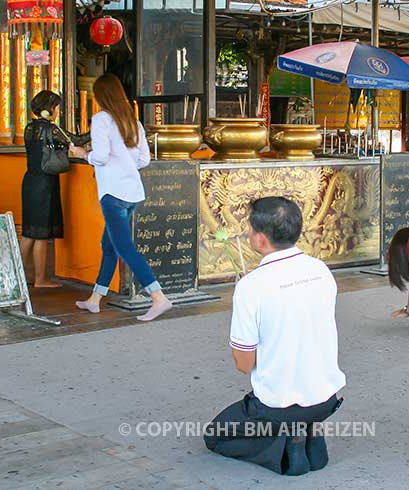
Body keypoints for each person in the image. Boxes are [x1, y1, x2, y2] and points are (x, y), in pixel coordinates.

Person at [204, 197, 345, 476]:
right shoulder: (321, 270)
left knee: (215, 436)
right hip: (327, 399)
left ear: (259, 239)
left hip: (277, 405)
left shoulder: (251, 286)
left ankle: (287, 449)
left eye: (248, 228)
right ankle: (309, 432)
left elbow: (244, 364)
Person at [73, 74, 172, 322]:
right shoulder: (133, 122)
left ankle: (158, 297)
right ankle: (95, 299)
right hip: (132, 192)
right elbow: (143, 160)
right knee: (109, 246)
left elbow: (102, 156)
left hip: (112, 193)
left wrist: (82, 154)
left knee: (124, 248)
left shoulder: (101, 120)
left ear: (101, 97)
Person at [20, 90, 86, 288]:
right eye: (57, 107)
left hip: (30, 181)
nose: (58, 111)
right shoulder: (51, 129)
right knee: (41, 233)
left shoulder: (29, 128)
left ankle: (20, 275)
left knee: (29, 232)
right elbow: (76, 140)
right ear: (50, 109)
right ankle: (40, 279)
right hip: (45, 183)